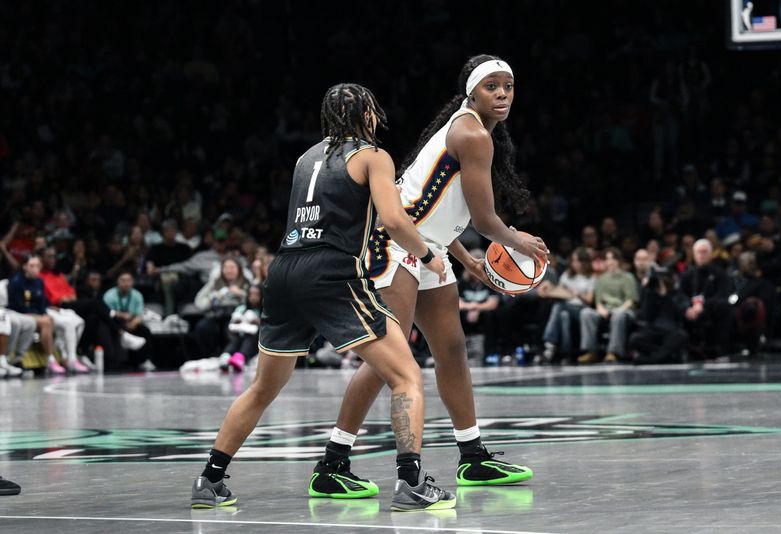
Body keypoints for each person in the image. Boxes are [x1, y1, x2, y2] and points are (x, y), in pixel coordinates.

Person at [190, 83, 454, 512]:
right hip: (330, 273)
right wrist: (428, 255)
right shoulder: (373, 156)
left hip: (284, 271)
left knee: (262, 387)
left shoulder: (304, 158)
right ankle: (411, 483)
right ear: (368, 115)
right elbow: (392, 218)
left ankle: (210, 479)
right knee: (406, 376)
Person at [313, 55, 548, 493]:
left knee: (453, 348)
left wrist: (468, 259)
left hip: (429, 246)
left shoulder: (470, 129)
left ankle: (472, 457)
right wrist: (519, 241)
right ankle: (331, 465)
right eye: (491, 86)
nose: (501, 94)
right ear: (471, 93)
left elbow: (435, 204)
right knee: (392, 358)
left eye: (508, 86)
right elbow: (483, 218)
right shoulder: (472, 132)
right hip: (397, 242)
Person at [578, 247, 638, 364]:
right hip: (606, 310)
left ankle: (613, 352)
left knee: (618, 315)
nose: (610, 262)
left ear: (618, 261)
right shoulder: (600, 280)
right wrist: (601, 310)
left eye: (613, 259)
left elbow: (630, 301)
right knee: (586, 313)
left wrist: (619, 309)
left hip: (624, 310)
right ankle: (590, 351)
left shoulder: (628, 277)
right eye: (607, 259)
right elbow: (598, 302)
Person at [7, 256, 64, 374]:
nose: (34, 269)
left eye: (37, 266)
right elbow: (18, 306)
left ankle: (60, 356)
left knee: (50, 319)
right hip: (18, 313)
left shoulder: (39, 282)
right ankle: (50, 358)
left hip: (34, 315)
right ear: (25, 267)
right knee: (46, 322)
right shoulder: (16, 282)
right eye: (31, 266)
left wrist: (43, 314)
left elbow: (42, 304)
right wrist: (40, 317)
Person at [539, 247, 595, 363]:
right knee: (563, 315)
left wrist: (577, 294)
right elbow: (559, 290)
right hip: (566, 305)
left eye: (577, 261)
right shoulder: (567, 275)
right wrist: (551, 288)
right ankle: (566, 354)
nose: (574, 263)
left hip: (581, 309)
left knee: (559, 307)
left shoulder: (591, 278)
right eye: (573, 260)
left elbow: (589, 300)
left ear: (584, 262)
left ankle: (549, 343)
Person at [104, 272, 153, 370]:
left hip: (131, 322)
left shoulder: (137, 295)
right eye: (123, 280)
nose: (126, 283)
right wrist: (121, 315)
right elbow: (107, 313)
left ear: (133, 282)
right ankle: (115, 362)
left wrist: (133, 323)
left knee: (145, 331)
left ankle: (144, 360)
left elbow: (139, 314)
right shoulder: (109, 295)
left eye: (128, 281)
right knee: (108, 329)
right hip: (115, 323)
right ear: (117, 282)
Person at [218, 285, 262, 372]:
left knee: (249, 338)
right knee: (235, 339)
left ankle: (241, 357)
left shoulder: (264, 311)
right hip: (239, 334)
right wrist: (237, 321)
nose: (253, 298)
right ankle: (226, 356)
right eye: (251, 295)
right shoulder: (241, 309)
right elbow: (231, 325)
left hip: (255, 340)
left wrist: (257, 322)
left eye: (256, 295)